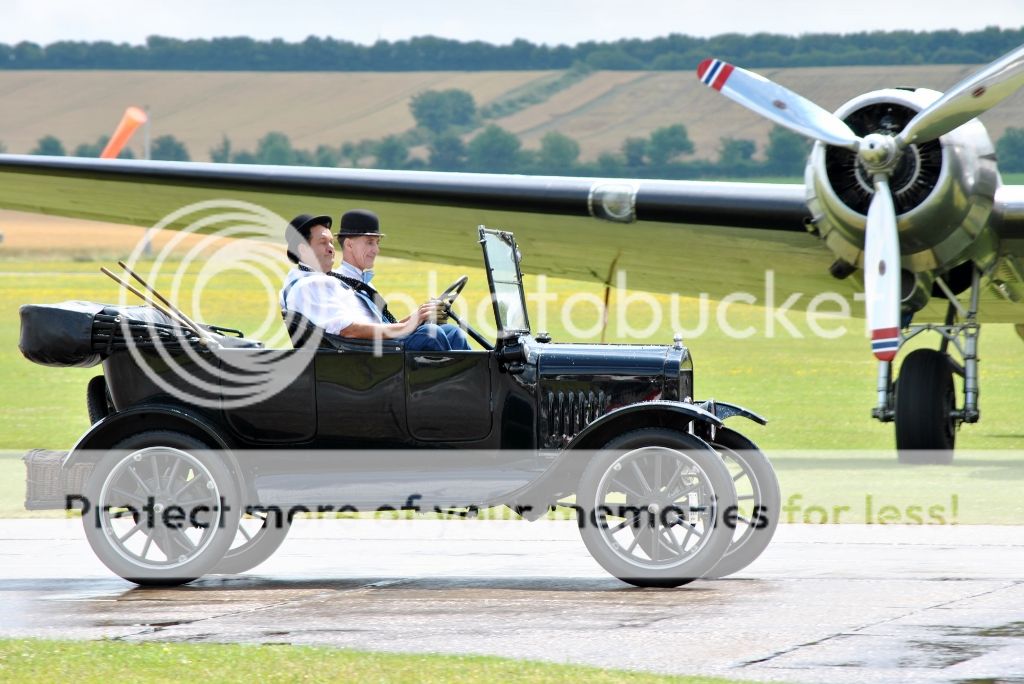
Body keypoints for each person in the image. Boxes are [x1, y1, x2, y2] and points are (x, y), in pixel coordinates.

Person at [280, 211, 471, 351]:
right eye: (323, 242)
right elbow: (348, 331)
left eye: (331, 242)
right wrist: (410, 324)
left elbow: (371, 325)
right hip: (360, 357)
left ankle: (477, 395)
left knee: (450, 332)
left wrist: (418, 318)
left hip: (370, 349)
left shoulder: (322, 282)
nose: (331, 248)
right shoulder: (309, 285)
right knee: (432, 334)